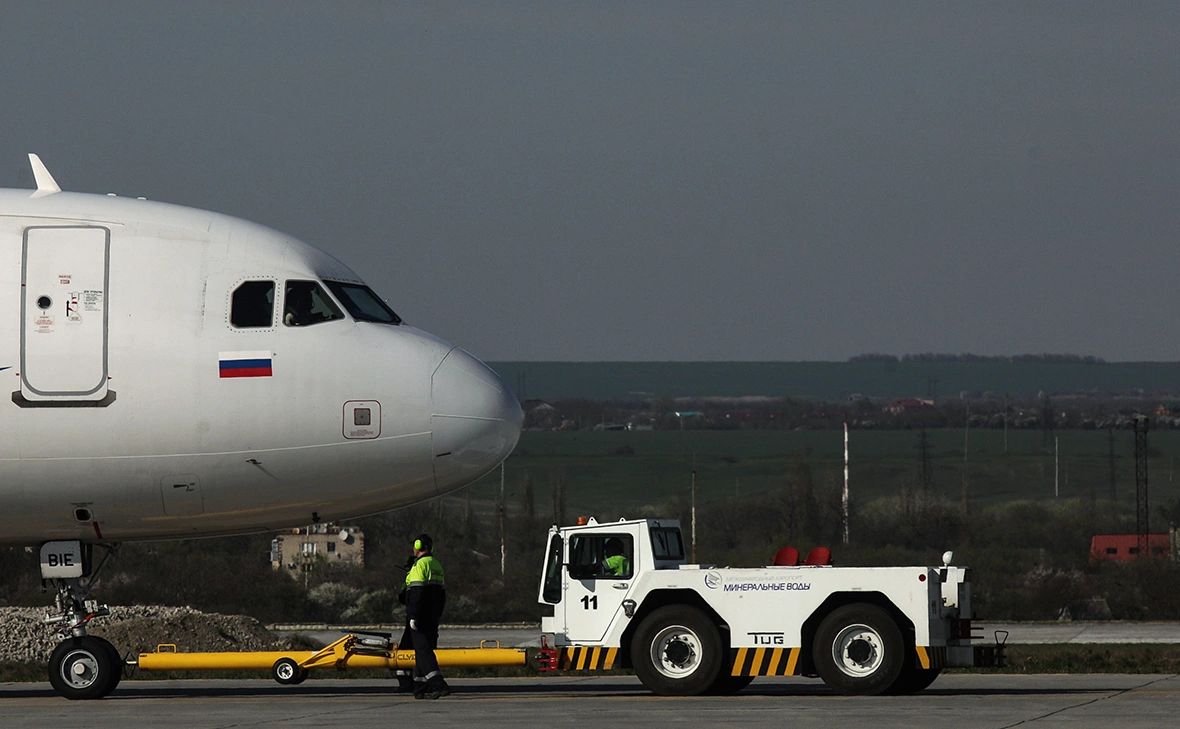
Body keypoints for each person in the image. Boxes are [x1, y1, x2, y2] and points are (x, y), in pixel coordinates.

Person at [396, 533, 449, 699]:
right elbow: (441, 595)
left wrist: (413, 616)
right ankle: (420, 687)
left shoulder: (420, 566)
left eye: (414, 545)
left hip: (419, 617)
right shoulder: (437, 565)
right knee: (421, 652)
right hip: (433, 616)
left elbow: (416, 594)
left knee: (423, 651)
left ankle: (438, 684)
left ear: (418, 546)